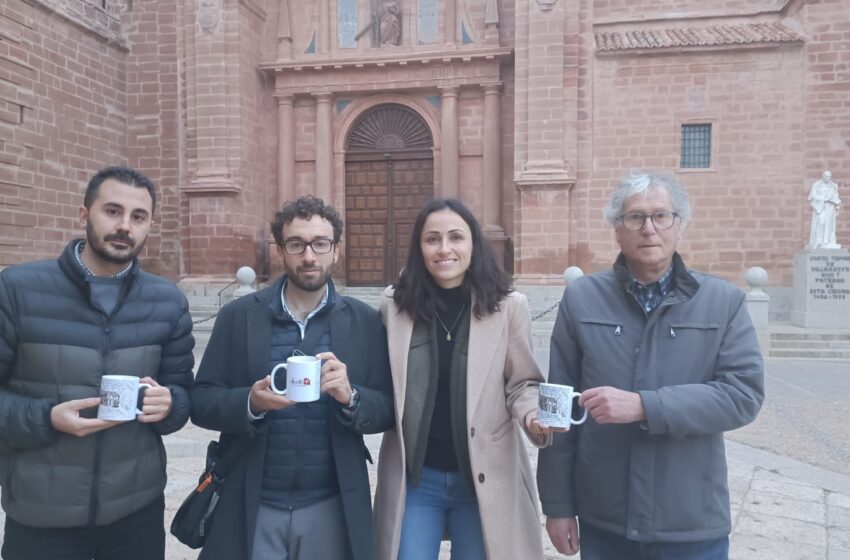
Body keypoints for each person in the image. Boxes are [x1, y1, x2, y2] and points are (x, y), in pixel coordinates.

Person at [537, 170, 765, 560]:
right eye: (635, 217)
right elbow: (557, 407)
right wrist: (557, 505)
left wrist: (646, 406)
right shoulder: (581, 300)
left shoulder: (723, 302)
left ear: (680, 226)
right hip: (606, 515)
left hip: (690, 518)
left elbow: (742, 395)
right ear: (617, 229)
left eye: (661, 216)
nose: (649, 229)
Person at [0, 166, 195, 560]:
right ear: (83, 214)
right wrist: (46, 418)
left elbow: (182, 394)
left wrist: (170, 404)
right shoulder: (18, 289)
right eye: (112, 211)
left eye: (138, 217)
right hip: (42, 513)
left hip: (135, 512)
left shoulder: (167, 301)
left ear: (149, 226)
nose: (125, 226)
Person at [190, 195, 394, 560]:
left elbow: (387, 409)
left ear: (336, 251)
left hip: (329, 503)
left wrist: (352, 398)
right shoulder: (239, 317)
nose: (309, 256)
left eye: (320, 244)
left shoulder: (364, 322)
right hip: (252, 500)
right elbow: (202, 401)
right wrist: (249, 403)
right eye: (296, 244)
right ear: (281, 250)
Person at [373, 198, 554, 560]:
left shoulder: (508, 307)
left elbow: (522, 383)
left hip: (483, 478)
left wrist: (533, 416)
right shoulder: (393, 306)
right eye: (432, 239)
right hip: (416, 479)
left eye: (456, 237)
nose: (444, 249)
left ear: (473, 244)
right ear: (419, 247)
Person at [808, 170, 842, 250]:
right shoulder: (817, 185)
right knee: (821, 222)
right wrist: (823, 200)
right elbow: (813, 197)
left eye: (829, 176)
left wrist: (836, 203)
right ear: (823, 176)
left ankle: (829, 242)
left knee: (830, 225)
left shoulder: (833, 185)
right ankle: (818, 241)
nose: (828, 178)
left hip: (830, 207)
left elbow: (836, 196)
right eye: (826, 176)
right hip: (821, 207)